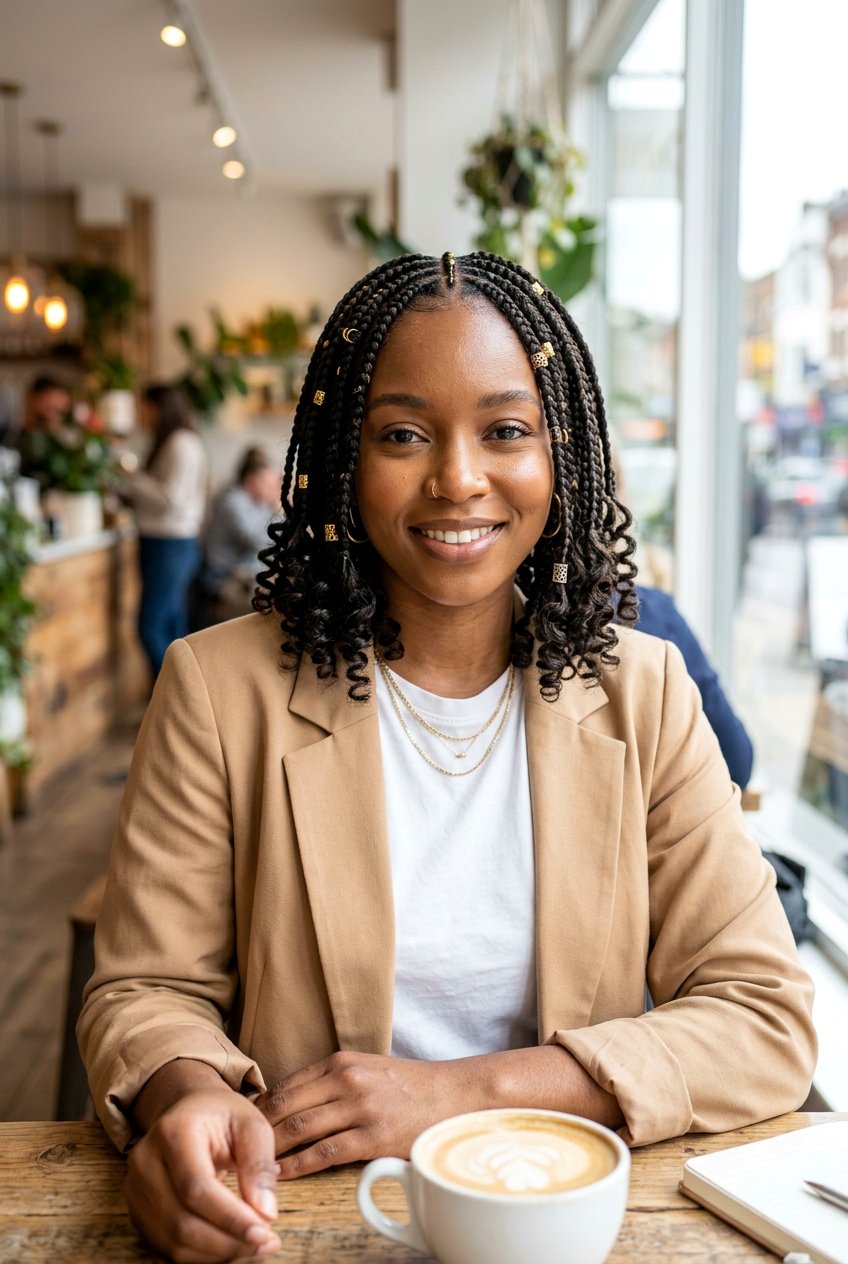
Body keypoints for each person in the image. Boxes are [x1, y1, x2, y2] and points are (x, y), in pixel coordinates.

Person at [79, 254, 816, 1264]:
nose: (456, 477)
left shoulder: (642, 694)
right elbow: (144, 990)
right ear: (343, 456)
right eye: (402, 434)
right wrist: (187, 1092)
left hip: (560, 1227)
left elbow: (761, 1015)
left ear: (562, 455)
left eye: (505, 430)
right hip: (304, 1220)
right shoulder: (216, 689)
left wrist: (457, 1093)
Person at [122, 383, 207, 676]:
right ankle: (178, 705)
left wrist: (131, 476)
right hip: (166, 542)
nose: (140, 414)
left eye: (143, 407)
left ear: (159, 408)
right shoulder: (173, 441)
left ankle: (176, 696)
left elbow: (171, 499)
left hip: (170, 542)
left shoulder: (180, 443)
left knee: (150, 626)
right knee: (172, 628)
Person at [201, 446, 282, 622]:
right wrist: (277, 510)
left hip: (244, 572)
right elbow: (256, 541)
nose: (274, 489)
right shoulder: (233, 502)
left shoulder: (258, 502)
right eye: (269, 484)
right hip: (223, 575)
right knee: (270, 608)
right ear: (252, 480)